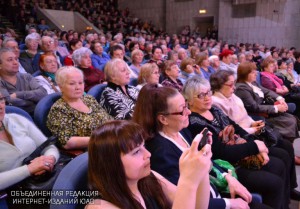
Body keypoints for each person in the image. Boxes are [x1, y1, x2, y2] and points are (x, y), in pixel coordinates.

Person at [133, 84, 272, 209]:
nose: (188, 112)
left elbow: (206, 163)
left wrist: (227, 177)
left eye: (186, 106)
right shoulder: (160, 152)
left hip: (214, 192)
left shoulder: (181, 129)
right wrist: (228, 203)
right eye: (182, 110)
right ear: (163, 119)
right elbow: (185, 199)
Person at [183, 76, 296, 208]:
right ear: (189, 100)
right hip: (229, 166)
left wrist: (259, 148)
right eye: (201, 95)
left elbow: (237, 128)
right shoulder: (195, 122)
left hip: (241, 152)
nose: (207, 97)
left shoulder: (214, 109)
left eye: (208, 92)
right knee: (274, 180)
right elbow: (221, 153)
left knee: (280, 160)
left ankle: (286, 201)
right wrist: (255, 146)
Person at [86, 120, 211, 209]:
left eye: (143, 146)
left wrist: (202, 168)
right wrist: (188, 181)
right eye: (136, 152)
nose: (148, 154)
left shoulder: (151, 177)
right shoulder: (98, 206)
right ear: (111, 163)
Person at [0, 92, 59, 191]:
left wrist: (49, 160)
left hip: (43, 178)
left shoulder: (17, 119)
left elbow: (49, 146)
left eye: (0, 99)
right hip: (13, 192)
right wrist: (29, 169)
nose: (0, 106)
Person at [47, 66, 112, 150]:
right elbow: (66, 142)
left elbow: (108, 119)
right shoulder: (59, 109)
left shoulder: (89, 99)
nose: (78, 87)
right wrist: (101, 140)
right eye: (72, 83)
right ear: (61, 86)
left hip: (110, 140)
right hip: (93, 149)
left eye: (80, 83)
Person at [235, 62, 299, 140]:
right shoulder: (241, 88)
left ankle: (287, 142)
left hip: (266, 108)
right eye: (252, 72)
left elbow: (267, 91)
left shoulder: (252, 83)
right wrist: (276, 108)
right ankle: (284, 142)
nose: (256, 74)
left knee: (292, 118)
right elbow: (254, 107)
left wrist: (279, 98)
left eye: (255, 71)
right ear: (244, 74)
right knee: (290, 120)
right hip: (259, 115)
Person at [0, 47, 47, 115]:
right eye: (10, 60)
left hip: (37, 114)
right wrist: (33, 101)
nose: (15, 62)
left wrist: (18, 94)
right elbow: (8, 101)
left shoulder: (27, 76)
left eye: (16, 59)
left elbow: (43, 93)